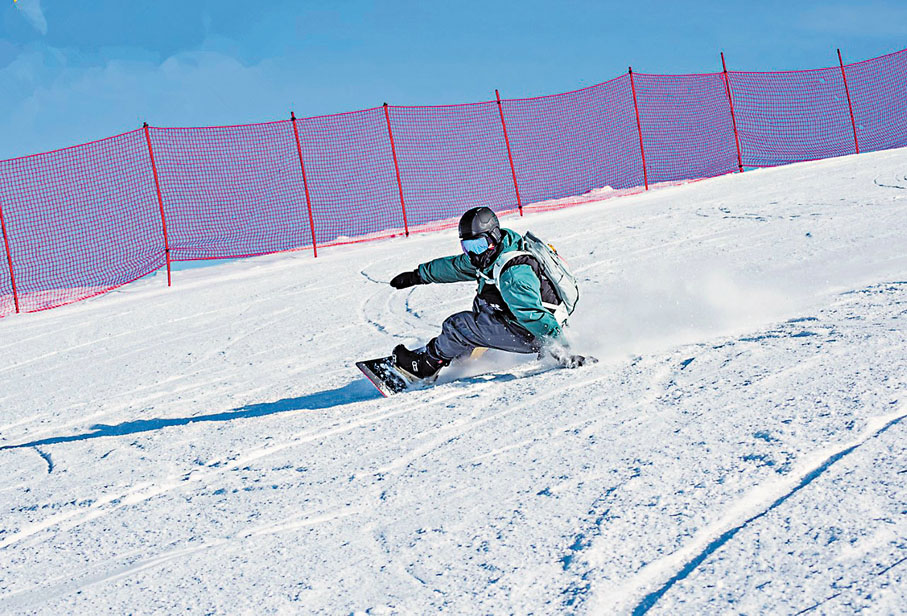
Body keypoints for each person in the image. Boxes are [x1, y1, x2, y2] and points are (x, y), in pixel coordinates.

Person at [388, 206, 588, 380]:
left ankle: (424, 366)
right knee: (483, 301)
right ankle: (463, 353)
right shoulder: (494, 252)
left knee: (457, 326)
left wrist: (561, 348)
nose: (474, 254)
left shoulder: (513, 275)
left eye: (479, 245)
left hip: (534, 333)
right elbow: (457, 266)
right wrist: (419, 275)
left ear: (493, 237)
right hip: (524, 320)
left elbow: (532, 314)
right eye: (468, 247)